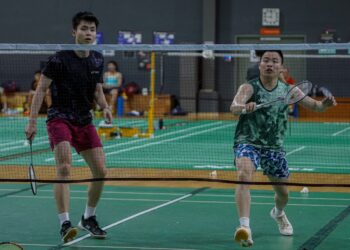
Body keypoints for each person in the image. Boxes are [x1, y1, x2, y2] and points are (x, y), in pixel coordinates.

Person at [230, 50, 336, 247]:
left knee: (283, 194)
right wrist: (245, 107)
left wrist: (325, 105)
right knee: (243, 174)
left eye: (274, 61)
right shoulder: (248, 88)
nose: (270, 64)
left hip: (274, 147)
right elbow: (234, 106)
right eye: (266, 61)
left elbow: (315, 107)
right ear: (260, 65)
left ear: (281, 67)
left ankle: (278, 213)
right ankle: (244, 227)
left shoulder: (289, 90)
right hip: (248, 141)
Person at [25, 11, 112, 243]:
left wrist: (104, 106)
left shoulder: (96, 59)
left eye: (92, 30)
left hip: (84, 120)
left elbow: (97, 90)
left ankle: (88, 218)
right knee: (64, 168)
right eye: (84, 29)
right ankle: (65, 223)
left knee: (101, 172)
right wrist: (32, 120)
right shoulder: (59, 59)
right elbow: (41, 89)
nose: (88, 33)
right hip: (60, 118)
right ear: (74, 32)